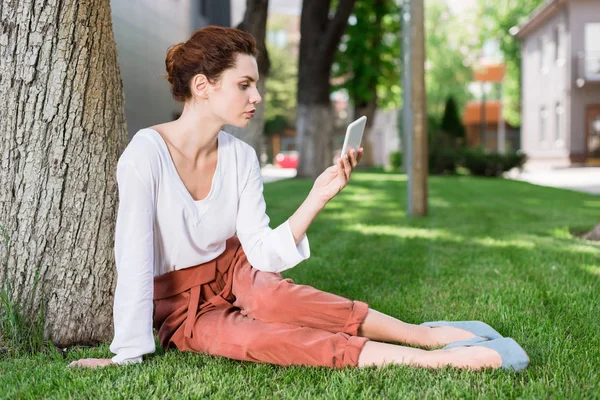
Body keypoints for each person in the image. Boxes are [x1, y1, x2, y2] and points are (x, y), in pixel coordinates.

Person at [70, 26, 528, 371]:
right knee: (258, 339)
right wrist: (125, 354)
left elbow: (262, 254)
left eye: (256, 84)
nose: (258, 96)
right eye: (244, 84)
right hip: (182, 301)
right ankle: (432, 360)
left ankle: (421, 335)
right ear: (203, 86)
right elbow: (132, 258)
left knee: (280, 300)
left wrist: (318, 195)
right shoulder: (144, 156)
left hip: (237, 268)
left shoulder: (241, 156)